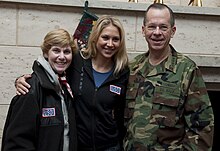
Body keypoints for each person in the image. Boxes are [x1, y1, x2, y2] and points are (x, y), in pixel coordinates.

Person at [14, 15, 130, 151]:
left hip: (110, 146)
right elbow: (50, 68)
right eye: (105, 37)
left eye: (115, 39)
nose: (110, 44)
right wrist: (23, 80)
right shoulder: (77, 62)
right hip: (78, 145)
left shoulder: (123, 72)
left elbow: (124, 113)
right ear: (95, 38)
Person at [123, 3, 214, 151]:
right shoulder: (132, 68)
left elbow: (203, 126)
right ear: (143, 30)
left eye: (163, 27)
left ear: (173, 31)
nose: (157, 32)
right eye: (152, 26)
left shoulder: (187, 70)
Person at [1, 29, 77, 151]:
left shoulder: (66, 86)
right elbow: (17, 144)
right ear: (46, 53)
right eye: (56, 50)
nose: (62, 57)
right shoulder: (30, 89)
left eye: (67, 51)